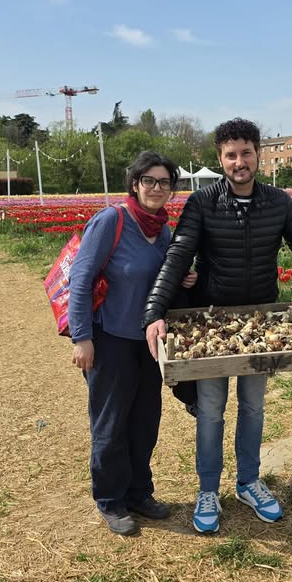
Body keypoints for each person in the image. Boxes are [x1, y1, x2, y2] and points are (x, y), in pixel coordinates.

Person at [145, 118, 292, 534]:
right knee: (212, 411)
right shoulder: (203, 204)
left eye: (247, 153)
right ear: (220, 159)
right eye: (231, 155)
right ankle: (207, 489)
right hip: (213, 321)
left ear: (259, 155)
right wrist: (155, 313)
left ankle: (249, 481)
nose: (240, 161)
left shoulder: (279, 203)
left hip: (261, 322)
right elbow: (178, 257)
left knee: (254, 406)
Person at [68, 151, 196, 536]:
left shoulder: (163, 230)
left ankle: (140, 492)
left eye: (164, 182)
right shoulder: (112, 221)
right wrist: (82, 338)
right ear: (135, 184)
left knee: (144, 422)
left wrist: (183, 279)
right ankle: (110, 499)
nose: (157, 188)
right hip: (109, 342)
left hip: (148, 344)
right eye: (149, 181)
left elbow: (160, 279)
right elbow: (81, 279)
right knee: (110, 424)